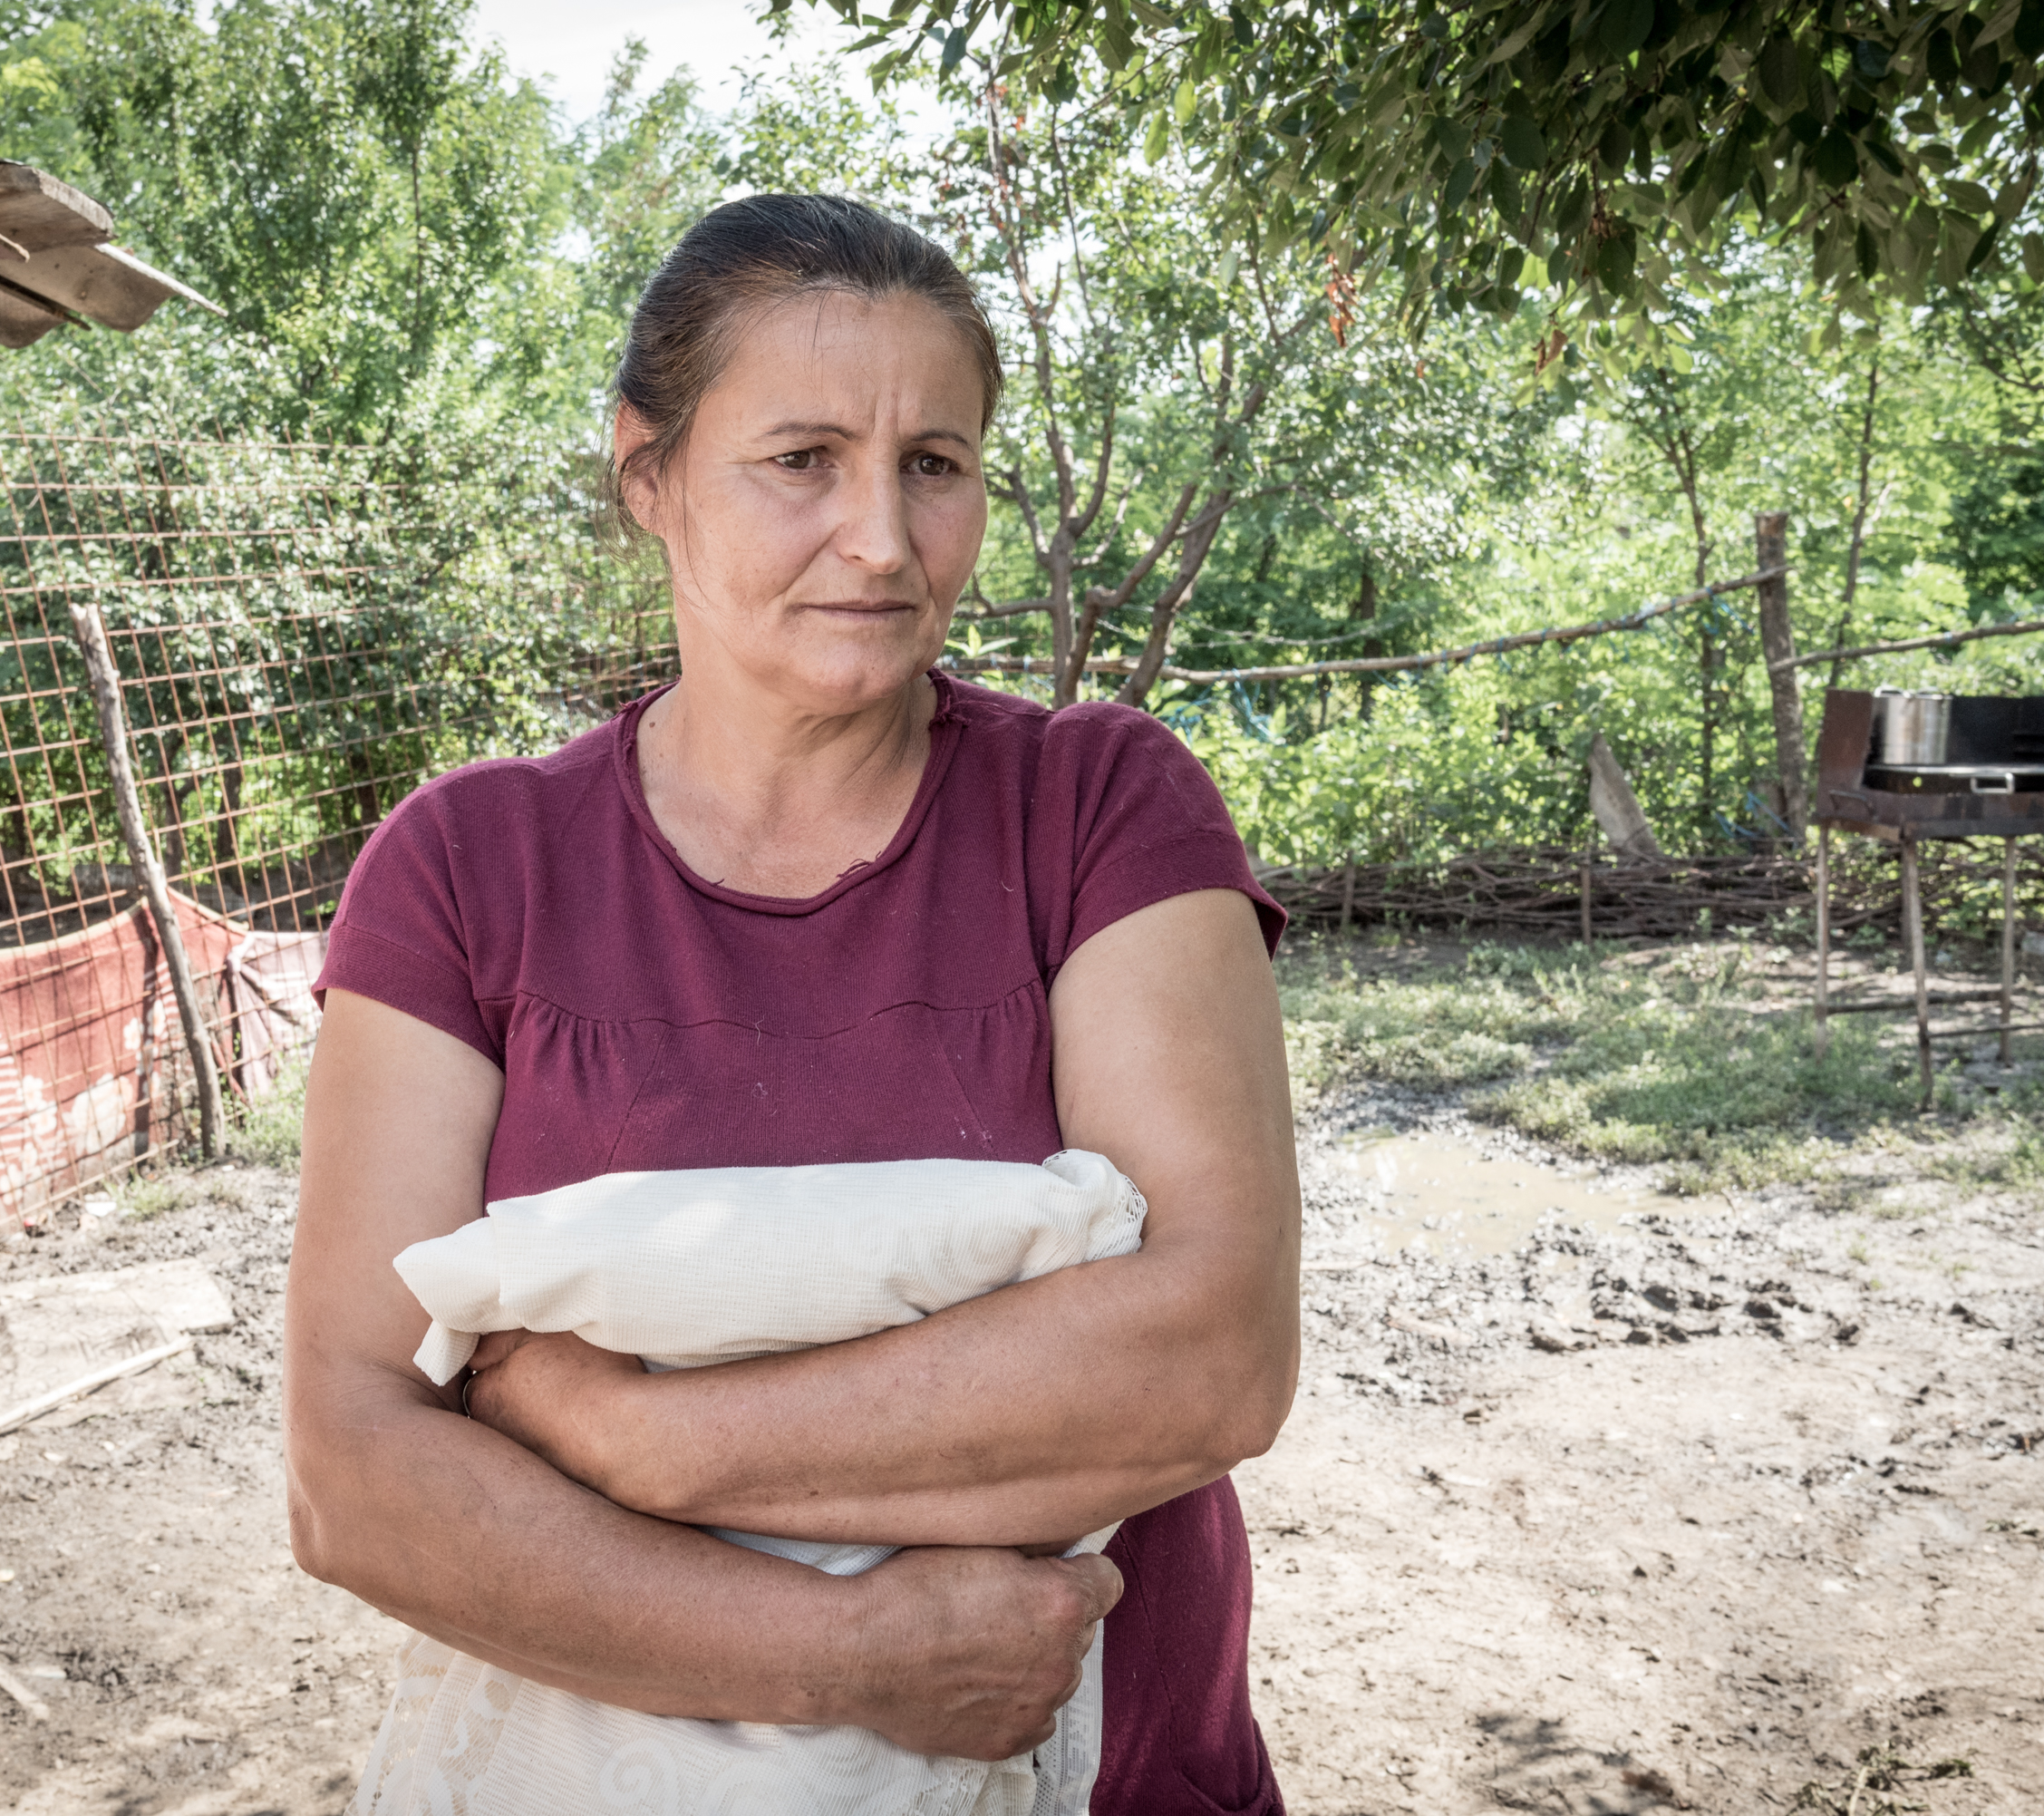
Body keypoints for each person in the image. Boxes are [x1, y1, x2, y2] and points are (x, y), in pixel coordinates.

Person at [286, 190, 1303, 1814]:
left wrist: (647, 1444)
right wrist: (849, 1654)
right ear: (650, 476)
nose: (885, 540)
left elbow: (1212, 1361)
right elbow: (356, 1476)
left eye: (935, 464)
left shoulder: (1101, 810)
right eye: (802, 459)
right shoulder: (468, 870)